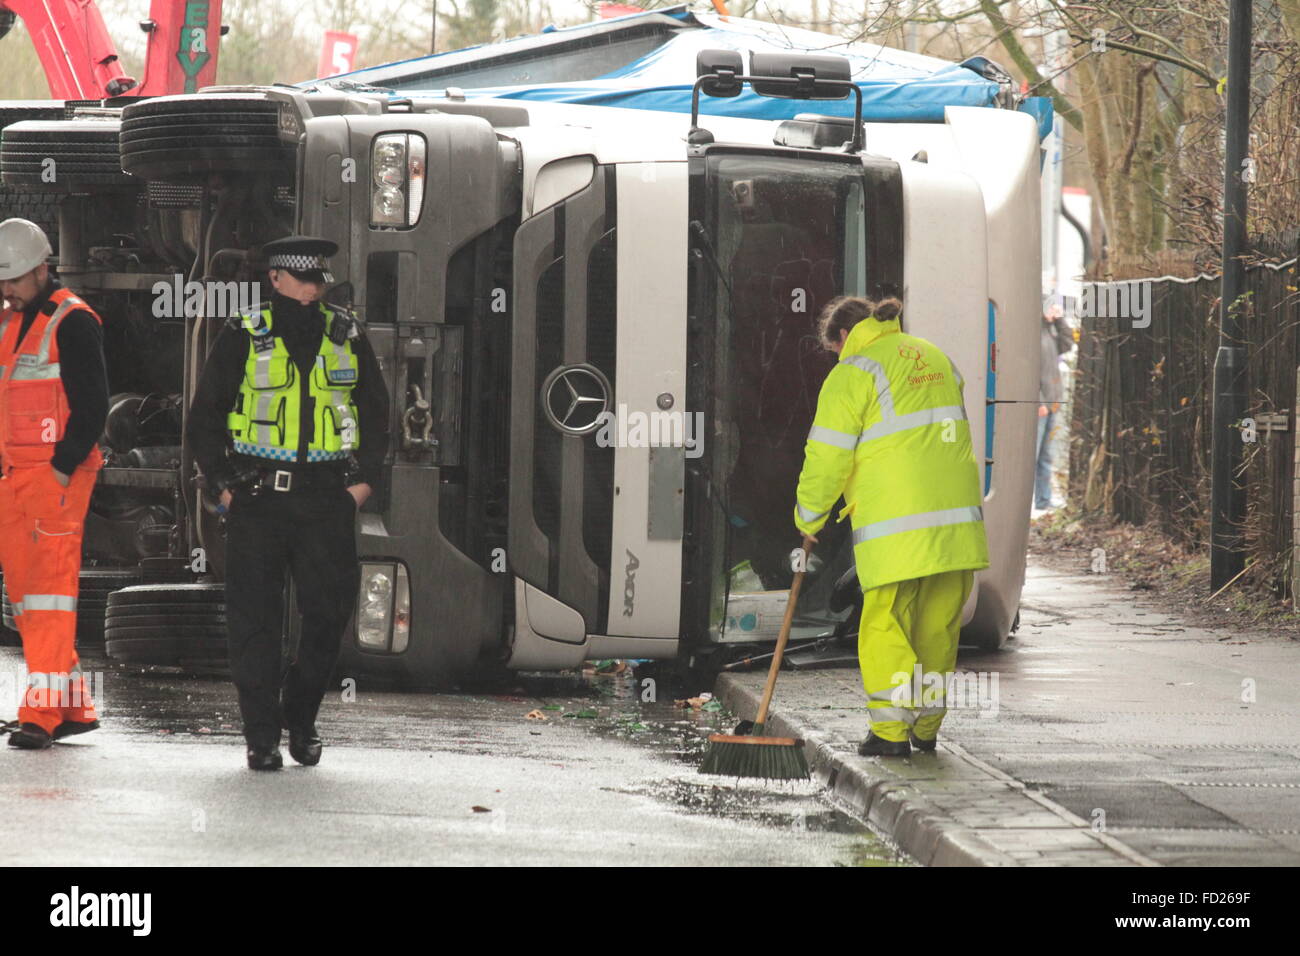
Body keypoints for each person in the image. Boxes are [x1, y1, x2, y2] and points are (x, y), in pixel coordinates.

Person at [186, 236, 390, 771]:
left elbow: (377, 414)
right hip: (259, 500)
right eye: (302, 277)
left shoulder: (345, 333)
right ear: (275, 279)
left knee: (327, 616)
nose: (313, 286)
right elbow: (204, 418)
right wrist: (224, 487)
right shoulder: (244, 333)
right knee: (254, 622)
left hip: (326, 500)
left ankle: (299, 719)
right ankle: (260, 737)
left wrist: (362, 486)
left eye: (319, 278)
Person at [793, 295, 988, 756]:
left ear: (843, 337)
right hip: (956, 522)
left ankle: (890, 733)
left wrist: (808, 516)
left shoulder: (854, 372)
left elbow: (827, 455)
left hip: (897, 527)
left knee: (886, 625)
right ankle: (925, 728)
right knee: (937, 628)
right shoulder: (937, 358)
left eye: (834, 348)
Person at [0, 218, 109, 750]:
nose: (8, 289)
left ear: (42, 268)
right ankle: (72, 707)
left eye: (16, 279)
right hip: (15, 476)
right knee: (28, 596)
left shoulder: (73, 321)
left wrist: (61, 467)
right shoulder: (9, 320)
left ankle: (39, 716)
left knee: (50, 596)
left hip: (54, 477)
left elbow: (93, 407)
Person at [1035, 301, 1074, 511]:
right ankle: (1032, 500)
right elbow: (1028, 371)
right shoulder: (1034, 335)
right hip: (1041, 405)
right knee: (1034, 455)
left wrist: (1059, 321)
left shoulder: (1049, 333)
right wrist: (1038, 401)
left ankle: (1043, 499)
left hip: (1052, 404)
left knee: (1045, 455)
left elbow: (1068, 344)